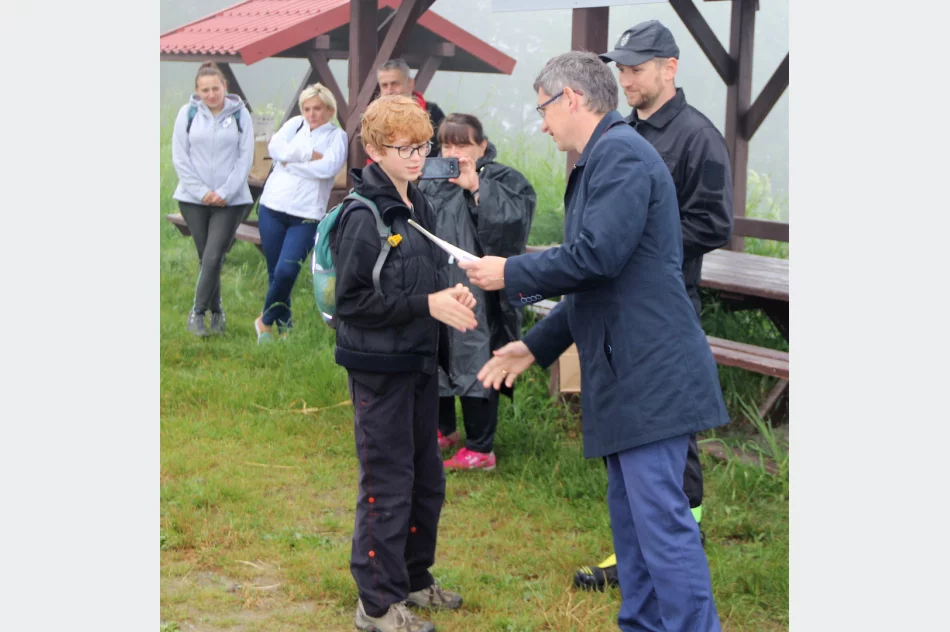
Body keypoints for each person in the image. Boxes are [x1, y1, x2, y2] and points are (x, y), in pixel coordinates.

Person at [460, 51, 728, 632]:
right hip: (625, 372)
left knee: (661, 526)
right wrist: (534, 347)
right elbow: (597, 281)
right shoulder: (600, 158)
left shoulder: (622, 156)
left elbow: (596, 257)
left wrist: (510, 273)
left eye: (543, 109)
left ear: (571, 99)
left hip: (651, 374)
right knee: (632, 526)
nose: (542, 123)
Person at [573, 19, 735, 591]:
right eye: (621, 68)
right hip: (614, 302)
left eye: (636, 68)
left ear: (670, 68)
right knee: (631, 428)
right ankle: (639, 550)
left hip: (665, 300)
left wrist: (638, 242)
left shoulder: (697, 136)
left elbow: (715, 223)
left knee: (668, 431)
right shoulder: (618, 132)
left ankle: (680, 541)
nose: (626, 78)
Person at [331, 95, 475, 632]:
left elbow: (424, 276)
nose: (417, 158)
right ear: (372, 150)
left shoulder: (419, 202)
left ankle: (413, 580)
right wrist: (425, 305)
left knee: (425, 481)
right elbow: (351, 303)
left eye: (423, 147)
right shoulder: (363, 216)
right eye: (403, 149)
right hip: (378, 371)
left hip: (417, 364)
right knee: (387, 485)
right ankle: (376, 606)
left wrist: (450, 296)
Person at [417, 114, 537, 471]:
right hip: (436, 285)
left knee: (476, 357)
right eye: (447, 144)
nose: (455, 152)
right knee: (434, 352)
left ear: (482, 146)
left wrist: (475, 188)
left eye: (463, 144)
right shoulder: (430, 179)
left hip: (483, 295)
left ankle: (481, 447)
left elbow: (512, 229)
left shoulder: (503, 179)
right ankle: (443, 428)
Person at [254, 84, 347, 342]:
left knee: (287, 271)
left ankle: (264, 321)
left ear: (329, 109)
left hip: (307, 214)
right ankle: (285, 329)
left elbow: (328, 169)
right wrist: (308, 156)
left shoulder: (337, 137)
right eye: (307, 108)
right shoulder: (295, 124)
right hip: (272, 206)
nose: (312, 113)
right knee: (275, 272)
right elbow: (274, 150)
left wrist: (290, 164)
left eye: (317, 108)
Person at [171, 61, 254, 337]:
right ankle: (217, 311)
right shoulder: (188, 113)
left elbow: (245, 159)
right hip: (193, 199)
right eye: (205, 90)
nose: (211, 94)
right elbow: (180, 156)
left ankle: (196, 314)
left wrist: (224, 192)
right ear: (197, 91)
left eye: (215, 88)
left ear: (224, 87)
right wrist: (201, 191)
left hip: (231, 201)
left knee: (214, 254)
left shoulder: (242, 115)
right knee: (206, 257)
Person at [377, 58, 446, 156]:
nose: (389, 91)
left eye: (395, 84)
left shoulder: (433, 113)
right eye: (384, 85)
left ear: (410, 83)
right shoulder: (372, 119)